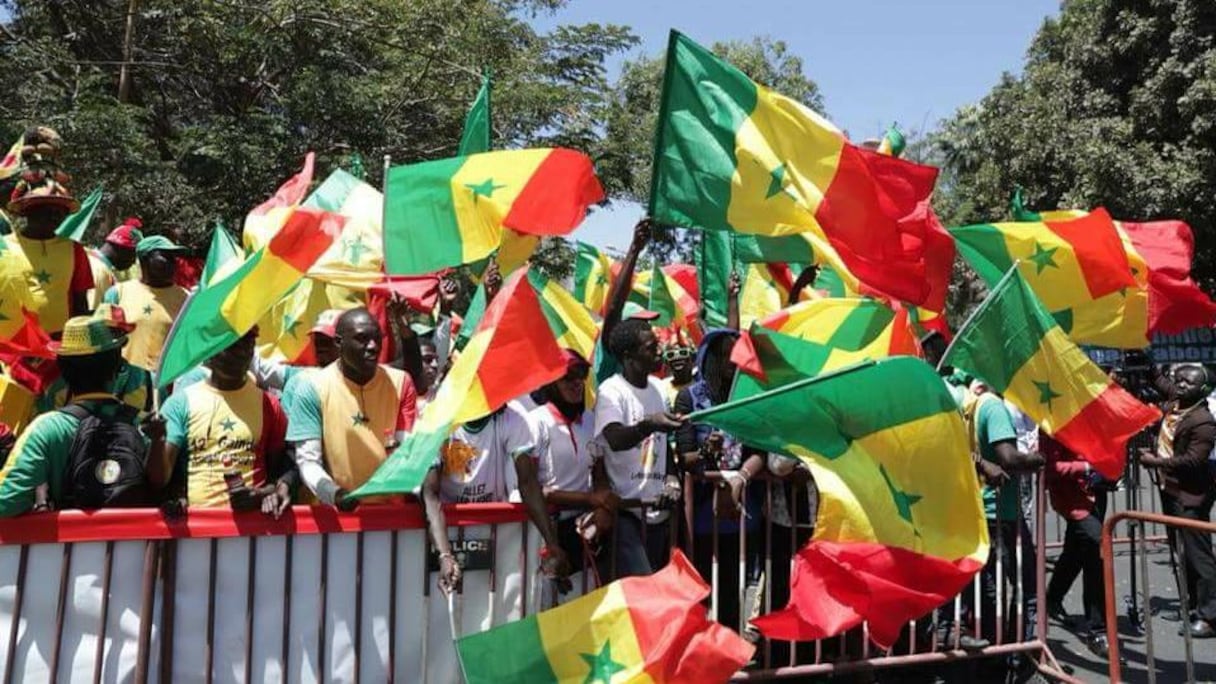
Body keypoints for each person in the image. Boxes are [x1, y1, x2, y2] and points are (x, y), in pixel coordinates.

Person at [0, 317, 162, 515]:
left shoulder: (45, 430)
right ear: (117, 366)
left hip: (67, 545)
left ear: (64, 372)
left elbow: (5, 504)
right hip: (134, 543)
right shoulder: (145, 426)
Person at [674, 328, 766, 636]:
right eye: (725, 354)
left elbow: (758, 453)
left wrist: (740, 478)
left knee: (730, 588)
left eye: (736, 353)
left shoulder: (747, 397)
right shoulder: (689, 397)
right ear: (709, 358)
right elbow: (684, 457)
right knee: (700, 590)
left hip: (738, 512)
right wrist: (704, 454)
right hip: (700, 512)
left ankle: (726, 653)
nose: (731, 360)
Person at [146, 329, 294, 516]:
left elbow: (280, 472)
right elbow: (159, 479)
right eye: (232, 345)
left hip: (254, 531)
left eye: (248, 344)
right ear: (211, 350)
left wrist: (262, 494)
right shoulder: (180, 403)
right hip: (197, 531)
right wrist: (157, 440)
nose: (241, 353)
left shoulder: (269, 405)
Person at [286, 308, 417, 508]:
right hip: (336, 517)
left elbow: (405, 448)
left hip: (392, 515)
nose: (373, 346)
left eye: (376, 338)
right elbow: (308, 462)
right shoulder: (312, 388)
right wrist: (336, 495)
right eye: (362, 339)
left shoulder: (401, 382)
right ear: (339, 343)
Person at [961, 382, 1045, 667]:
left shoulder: (967, 405)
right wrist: (1035, 459)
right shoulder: (993, 406)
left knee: (986, 585)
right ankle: (1017, 651)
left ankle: (992, 649)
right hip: (1000, 511)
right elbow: (1009, 457)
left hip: (978, 507)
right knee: (1026, 585)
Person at [594, 313, 685, 578]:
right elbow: (614, 439)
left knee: (657, 592)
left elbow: (663, 445)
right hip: (626, 513)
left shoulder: (658, 388)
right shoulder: (612, 391)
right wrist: (648, 425)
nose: (660, 351)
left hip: (658, 513)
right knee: (643, 589)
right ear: (628, 356)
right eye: (651, 348)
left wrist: (671, 479)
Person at [1141, 363, 1216, 638]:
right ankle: (1195, 604)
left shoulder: (1203, 422)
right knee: (1181, 550)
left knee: (1199, 556)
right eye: (1180, 380)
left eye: (1188, 383)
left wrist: (1156, 462)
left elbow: (1194, 461)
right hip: (1170, 490)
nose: (1181, 385)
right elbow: (1161, 381)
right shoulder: (1178, 401)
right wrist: (1144, 357)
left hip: (1191, 495)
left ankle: (1211, 617)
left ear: (1202, 390)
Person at [530, 350, 618, 580]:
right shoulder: (534, 422)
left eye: (581, 376)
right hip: (544, 530)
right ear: (551, 381)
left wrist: (602, 507)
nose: (577, 383)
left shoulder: (591, 420)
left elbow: (599, 472)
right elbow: (534, 490)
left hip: (584, 528)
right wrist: (591, 500)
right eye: (568, 377)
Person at [4, 139, 93, 335]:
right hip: (13, 350)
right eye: (44, 208)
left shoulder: (74, 249)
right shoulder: (4, 248)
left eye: (59, 210)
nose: (54, 215)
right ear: (26, 211)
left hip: (61, 347)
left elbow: (80, 302)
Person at [1043, 435, 1112, 657]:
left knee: (1075, 551)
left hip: (1095, 493)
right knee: (1097, 550)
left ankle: (1052, 599)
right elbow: (1049, 468)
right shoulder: (1053, 422)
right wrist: (1085, 467)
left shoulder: (1089, 416)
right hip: (1072, 499)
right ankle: (1097, 629)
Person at [36, 304, 154, 418]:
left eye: (112, 332)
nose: (109, 338)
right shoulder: (58, 390)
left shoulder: (147, 380)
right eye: (103, 332)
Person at [104, 235, 190, 372]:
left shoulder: (185, 299)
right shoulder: (117, 294)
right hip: (126, 383)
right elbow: (105, 339)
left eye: (173, 258)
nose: (172, 263)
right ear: (144, 259)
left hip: (165, 385)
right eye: (165, 256)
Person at [88, 218, 142, 307]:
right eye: (133, 255)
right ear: (122, 249)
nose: (133, 262)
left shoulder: (93, 261)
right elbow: (92, 311)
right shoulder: (100, 271)